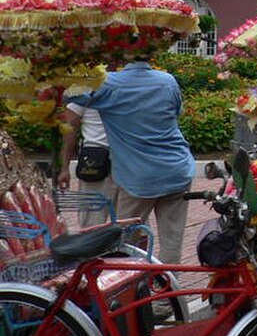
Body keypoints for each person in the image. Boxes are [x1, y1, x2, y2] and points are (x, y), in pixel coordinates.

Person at [66, 59, 196, 263]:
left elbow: (69, 96)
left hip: (138, 176)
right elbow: (176, 111)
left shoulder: (108, 84)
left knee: (125, 244)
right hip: (177, 169)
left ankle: (129, 292)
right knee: (172, 242)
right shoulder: (168, 81)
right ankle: (170, 292)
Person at [56, 103, 116, 227]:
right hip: (128, 156)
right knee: (133, 220)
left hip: (94, 156)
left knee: (92, 219)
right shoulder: (135, 86)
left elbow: (70, 127)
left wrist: (64, 168)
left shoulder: (86, 90)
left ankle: (93, 244)